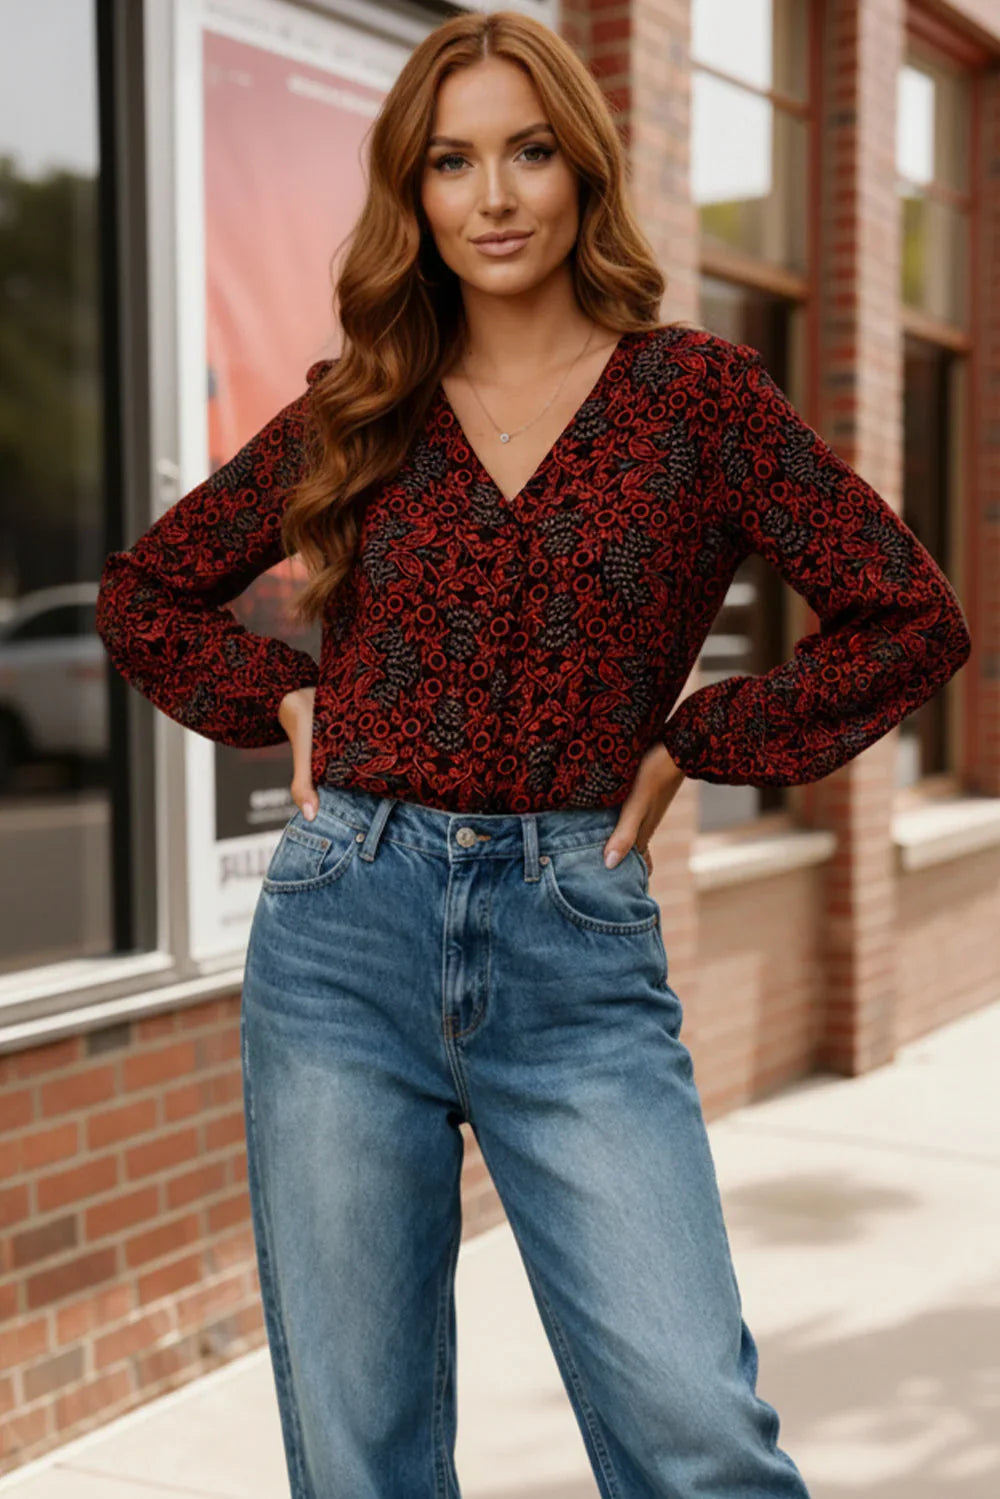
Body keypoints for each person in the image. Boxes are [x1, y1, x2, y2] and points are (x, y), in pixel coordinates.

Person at [95, 10, 971, 1498]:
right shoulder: (355, 406)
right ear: (414, 195)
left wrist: (703, 740)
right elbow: (144, 593)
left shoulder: (697, 400)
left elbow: (909, 618)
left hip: (576, 948)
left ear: (583, 171)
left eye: (528, 151)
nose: (492, 196)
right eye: (451, 162)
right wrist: (288, 702)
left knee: (699, 1443)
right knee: (361, 1458)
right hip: (342, 936)